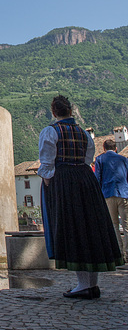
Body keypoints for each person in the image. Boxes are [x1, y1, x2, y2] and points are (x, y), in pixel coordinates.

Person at [38, 95, 123, 299]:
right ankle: (91, 284)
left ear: (54, 112)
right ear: (71, 111)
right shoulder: (84, 134)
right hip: (86, 180)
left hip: (64, 181)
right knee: (89, 228)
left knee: (73, 230)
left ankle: (83, 285)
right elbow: (87, 159)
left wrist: (49, 185)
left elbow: (47, 164)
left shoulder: (51, 131)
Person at [95, 139, 128, 262]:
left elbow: (98, 178)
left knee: (114, 225)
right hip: (123, 193)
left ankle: (119, 254)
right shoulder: (124, 160)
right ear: (116, 149)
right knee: (126, 225)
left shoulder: (100, 160)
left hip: (108, 195)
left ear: (104, 148)